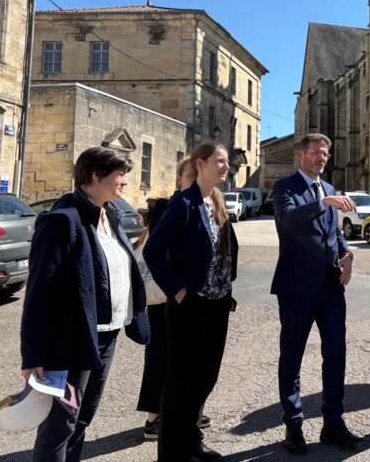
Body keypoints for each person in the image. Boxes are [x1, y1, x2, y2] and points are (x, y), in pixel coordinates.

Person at [20, 146, 150, 462]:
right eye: (120, 175)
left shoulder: (112, 215)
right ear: (96, 176)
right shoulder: (61, 221)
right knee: (59, 426)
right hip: (72, 340)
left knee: (81, 421)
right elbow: (39, 292)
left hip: (107, 336)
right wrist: (33, 354)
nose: (125, 183)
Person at [144, 141, 238, 462]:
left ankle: (191, 441)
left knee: (205, 376)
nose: (226, 166)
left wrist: (227, 289)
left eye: (227, 162)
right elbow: (153, 251)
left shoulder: (217, 202)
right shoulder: (183, 203)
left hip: (217, 305)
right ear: (200, 164)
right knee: (181, 380)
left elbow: (224, 252)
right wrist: (177, 290)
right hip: (190, 306)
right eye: (220, 161)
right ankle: (172, 452)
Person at [271, 133, 361, 454]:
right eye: (315, 153)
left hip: (331, 288)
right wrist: (323, 202)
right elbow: (288, 220)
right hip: (296, 288)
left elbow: (336, 233)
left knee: (335, 356)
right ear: (300, 155)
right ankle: (293, 425)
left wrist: (347, 254)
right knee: (292, 357)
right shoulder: (286, 188)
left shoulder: (330, 190)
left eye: (325, 154)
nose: (321, 158)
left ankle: (333, 424)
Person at [135, 159, 213, 440]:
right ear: (180, 178)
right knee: (160, 357)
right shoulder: (174, 205)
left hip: (190, 297)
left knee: (189, 357)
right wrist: (177, 289)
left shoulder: (206, 204)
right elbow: (158, 250)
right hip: (167, 296)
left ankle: (188, 411)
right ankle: (154, 419)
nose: (196, 180)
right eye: (191, 176)